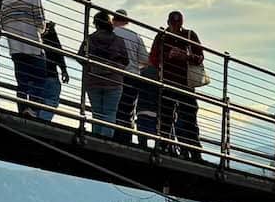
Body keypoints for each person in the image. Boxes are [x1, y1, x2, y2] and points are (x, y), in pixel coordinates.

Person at [150, 11, 205, 159]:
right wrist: (169, 57)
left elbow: (200, 58)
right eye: (174, 23)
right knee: (171, 116)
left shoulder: (183, 35)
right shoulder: (164, 36)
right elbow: (154, 59)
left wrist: (184, 56)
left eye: (177, 24)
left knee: (183, 117)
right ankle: (170, 146)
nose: (175, 26)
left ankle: (189, 150)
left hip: (180, 83)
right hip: (172, 82)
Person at [0, 0, 48, 117]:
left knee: (22, 81)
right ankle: (33, 109)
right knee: (39, 80)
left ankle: (23, 108)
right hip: (33, 45)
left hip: (15, 48)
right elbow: (40, 22)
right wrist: (41, 29)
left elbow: (1, 22)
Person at [80, 9, 125, 136]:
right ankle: (106, 139)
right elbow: (125, 60)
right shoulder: (119, 41)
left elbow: (80, 56)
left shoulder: (89, 39)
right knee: (110, 112)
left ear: (96, 24)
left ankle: (96, 138)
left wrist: (90, 67)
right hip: (114, 81)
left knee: (97, 113)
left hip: (93, 80)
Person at [110, 10, 150, 143]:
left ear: (113, 20)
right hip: (132, 76)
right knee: (127, 110)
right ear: (127, 22)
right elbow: (145, 60)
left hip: (113, 74)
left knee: (112, 107)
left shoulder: (110, 33)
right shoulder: (136, 36)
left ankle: (112, 135)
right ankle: (125, 138)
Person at [37, 20, 70, 121]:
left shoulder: (32, 35)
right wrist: (64, 70)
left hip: (35, 74)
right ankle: (42, 123)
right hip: (51, 75)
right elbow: (58, 52)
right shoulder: (50, 37)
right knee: (51, 100)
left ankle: (35, 118)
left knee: (37, 100)